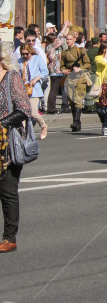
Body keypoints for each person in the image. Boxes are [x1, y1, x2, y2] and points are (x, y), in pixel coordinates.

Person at [0, 44, 33, 253]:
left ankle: (9, 238)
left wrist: (2, 124)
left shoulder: (12, 78)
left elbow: (24, 109)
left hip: (8, 144)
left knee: (8, 191)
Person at [18, 43, 48, 140]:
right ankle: (23, 132)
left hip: (34, 89)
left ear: (30, 51)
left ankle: (43, 126)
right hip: (22, 89)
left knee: (33, 112)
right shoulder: (19, 61)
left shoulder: (37, 59)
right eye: (23, 54)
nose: (25, 56)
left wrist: (36, 79)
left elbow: (45, 71)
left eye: (27, 53)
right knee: (22, 113)